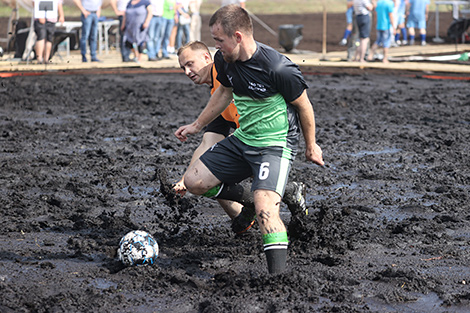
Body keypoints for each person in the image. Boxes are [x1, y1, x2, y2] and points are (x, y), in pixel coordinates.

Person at [175, 5, 324, 274]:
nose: (216, 47)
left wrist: (311, 146)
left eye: (219, 40)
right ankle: (254, 202)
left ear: (238, 36)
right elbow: (224, 93)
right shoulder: (224, 61)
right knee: (194, 181)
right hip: (243, 140)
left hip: (273, 145)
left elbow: (305, 106)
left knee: (267, 211)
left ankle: (278, 280)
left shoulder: (278, 67)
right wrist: (197, 124)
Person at [175, 40, 308, 235]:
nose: (187, 72)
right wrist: (185, 180)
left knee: (246, 178)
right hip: (249, 145)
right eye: (182, 68)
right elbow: (209, 141)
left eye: (190, 64)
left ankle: (266, 205)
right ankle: (242, 219)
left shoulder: (228, 77)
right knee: (210, 173)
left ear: (206, 57)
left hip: (271, 142)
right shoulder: (217, 93)